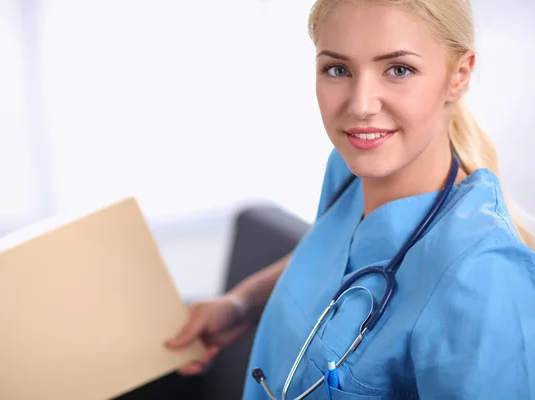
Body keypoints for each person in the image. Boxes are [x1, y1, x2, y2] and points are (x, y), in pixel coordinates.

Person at [165, 0, 535, 398]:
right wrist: (242, 303)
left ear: (459, 75)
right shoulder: (350, 169)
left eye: (398, 70)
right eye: (337, 69)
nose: (360, 106)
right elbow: (338, 259)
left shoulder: (483, 277)